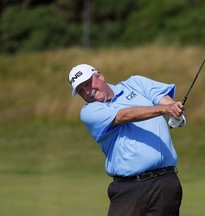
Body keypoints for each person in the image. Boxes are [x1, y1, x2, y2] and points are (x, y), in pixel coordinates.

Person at [68, 63, 186, 216]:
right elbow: (124, 115)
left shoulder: (136, 84)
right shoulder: (89, 112)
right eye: (81, 90)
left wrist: (176, 112)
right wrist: (165, 110)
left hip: (164, 184)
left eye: (87, 84)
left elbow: (166, 102)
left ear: (100, 76)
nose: (87, 92)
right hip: (128, 188)